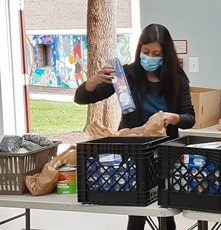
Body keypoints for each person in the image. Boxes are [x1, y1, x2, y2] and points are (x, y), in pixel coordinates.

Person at [74, 23, 195, 230]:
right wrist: (93, 81)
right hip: (134, 150)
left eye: (156, 53)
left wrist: (174, 118)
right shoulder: (126, 75)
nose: (150, 57)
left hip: (165, 149)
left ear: (166, 54)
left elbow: (190, 117)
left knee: (165, 208)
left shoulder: (177, 79)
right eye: (145, 52)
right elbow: (82, 98)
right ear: (139, 49)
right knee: (136, 208)